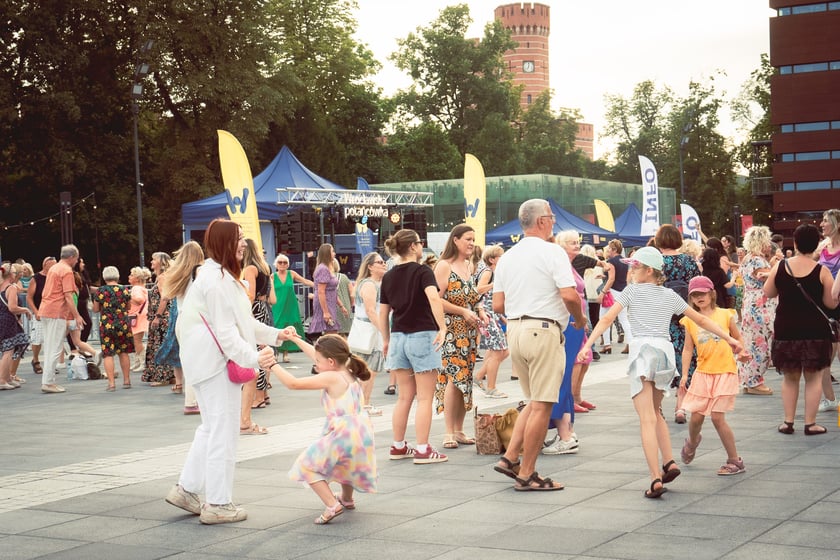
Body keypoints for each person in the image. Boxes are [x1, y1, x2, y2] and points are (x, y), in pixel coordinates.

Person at [578, 246, 743, 498]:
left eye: (635, 267)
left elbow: (606, 319)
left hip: (643, 352)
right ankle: (669, 461)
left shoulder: (631, 292)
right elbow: (702, 320)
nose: (630, 271)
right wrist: (730, 338)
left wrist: (588, 345)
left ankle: (655, 477)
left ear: (648, 271)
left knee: (646, 418)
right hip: (665, 354)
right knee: (655, 412)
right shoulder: (669, 295)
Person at [165, 219, 296, 524]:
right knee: (223, 434)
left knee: (212, 429)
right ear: (226, 242)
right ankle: (218, 504)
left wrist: (276, 335)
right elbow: (228, 333)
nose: (243, 243)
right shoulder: (219, 280)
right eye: (238, 238)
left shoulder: (215, 276)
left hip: (207, 364)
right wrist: (256, 357)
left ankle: (187, 489)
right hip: (215, 366)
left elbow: (242, 324)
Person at [492, 199, 585, 491]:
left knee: (533, 401)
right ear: (542, 221)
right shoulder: (552, 251)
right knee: (544, 404)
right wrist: (580, 320)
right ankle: (528, 472)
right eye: (552, 217)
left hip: (516, 329)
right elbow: (569, 296)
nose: (554, 222)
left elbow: (498, 304)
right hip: (542, 329)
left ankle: (510, 458)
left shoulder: (507, 256)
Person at [258, 334, 377, 525]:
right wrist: (296, 339)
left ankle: (332, 504)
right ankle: (346, 499)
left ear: (330, 361)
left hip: (342, 432)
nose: (315, 364)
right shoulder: (349, 369)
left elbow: (293, 384)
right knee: (347, 464)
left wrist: (272, 365)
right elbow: (319, 354)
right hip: (361, 430)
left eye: (318, 361)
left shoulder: (331, 377)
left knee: (307, 466)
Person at [379, 229, 448, 464]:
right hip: (422, 334)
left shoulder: (388, 276)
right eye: (420, 243)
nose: (422, 246)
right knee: (425, 398)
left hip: (398, 336)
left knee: (403, 397)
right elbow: (434, 298)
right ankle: (422, 449)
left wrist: (386, 339)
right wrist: (443, 327)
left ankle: (398, 446)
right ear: (412, 247)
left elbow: (383, 312)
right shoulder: (423, 271)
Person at [765, 223, 836, 435]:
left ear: (794, 243)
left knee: (790, 377)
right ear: (816, 246)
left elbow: (768, 292)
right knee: (813, 378)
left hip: (787, 329)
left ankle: (788, 422)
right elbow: (831, 303)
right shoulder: (822, 271)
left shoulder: (780, 267)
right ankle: (810, 423)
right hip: (815, 331)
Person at [679, 276, 749, 476]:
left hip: (725, 371)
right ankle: (692, 442)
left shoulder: (725, 315)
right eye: (694, 295)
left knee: (718, 417)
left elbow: (737, 337)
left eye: (702, 293)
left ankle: (735, 460)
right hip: (702, 373)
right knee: (696, 418)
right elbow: (687, 349)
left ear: (711, 293)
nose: (699, 297)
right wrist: (685, 374)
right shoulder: (690, 320)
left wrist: (742, 351)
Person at [433, 224, 487, 449]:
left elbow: (473, 296)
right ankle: (447, 432)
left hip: (469, 331)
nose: (471, 243)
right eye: (468, 239)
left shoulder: (469, 265)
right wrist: (463, 311)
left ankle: (459, 430)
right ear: (455, 240)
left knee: (465, 380)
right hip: (451, 329)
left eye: (473, 239)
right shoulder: (443, 266)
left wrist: (480, 310)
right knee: (453, 379)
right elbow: (435, 299)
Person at [656, 225, 701, 424]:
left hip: (661, 318)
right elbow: (695, 288)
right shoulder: (688, 261)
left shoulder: (655, 262)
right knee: (686, 360)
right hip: (684, 316)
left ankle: (656, 407)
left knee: (659, 362)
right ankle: (680, 407)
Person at [160, 242, 205, 412]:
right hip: (197, 321)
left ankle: (191, 400)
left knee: (188, 361)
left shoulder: (178, 275)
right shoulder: (199, 272)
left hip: (182, 319)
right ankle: (194, 401)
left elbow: (167, 295)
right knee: (201, 362)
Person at [737, 226, 779, 395]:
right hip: (760, 306)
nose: (769, 244)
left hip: (751, 304)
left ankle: (749, 380)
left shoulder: (748, 258)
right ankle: (755, 381)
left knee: (751, 342)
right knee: (761, 343)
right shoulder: (758, 261)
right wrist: (777, 265)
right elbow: (767, 276)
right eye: (767, 241)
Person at [39, 245, 85, 394]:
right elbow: (68, 296)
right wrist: (77, 315)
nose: (77, 261)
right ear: (71, 257)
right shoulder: (66, 271)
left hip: (46, 309)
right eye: (77, 258)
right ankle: (48, 382)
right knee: (55, 348)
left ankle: (48, 381)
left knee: (50, 347)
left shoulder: (54, 268)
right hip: (56, 312)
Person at [240, 239, 275, 424]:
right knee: (264, 350)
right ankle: (264, 393)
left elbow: (250, 294)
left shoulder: (249, 269)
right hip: (265, 308)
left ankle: (258, 397)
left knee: (256, 353)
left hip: (255, 310)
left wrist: (243, 310)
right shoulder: (265, 267)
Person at [351, 252, 387, 416]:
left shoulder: (373, 284)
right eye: (380, 262)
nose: (384, 264)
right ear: (370, 266)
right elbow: (371, 311)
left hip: (367, 332)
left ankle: (363, 403)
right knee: (369, 370)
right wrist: (385, 333)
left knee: (368, 370)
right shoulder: (369, 285)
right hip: (370, 333)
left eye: (384, 261)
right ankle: (364, 404)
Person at [473, 244, 510, 398]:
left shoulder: (494, 272)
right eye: (501, 256)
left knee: (503, 351)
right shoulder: (488, 272)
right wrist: (495, 284)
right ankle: (491, 387)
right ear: (492, 259)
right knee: (499, 351)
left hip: (492, 315)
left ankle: (479, 376)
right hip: (486, 315)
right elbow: (478, 290)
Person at [93, 266, 134, 391]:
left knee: (108, 354)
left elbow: (95, 309)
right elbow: (128, 307)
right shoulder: (125, 289)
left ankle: (111, 384)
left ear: (104, 277)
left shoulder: (100, 291)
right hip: (123, 323)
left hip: (106, 324)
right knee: (123, 352)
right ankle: (126, 381)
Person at [817, 209, 840, 410]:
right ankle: (830, 399)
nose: (822, 224)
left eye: (825, 221)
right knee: (824, 355)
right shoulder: (822, 248)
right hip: (825, 306)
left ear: (836, 224)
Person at [272, 254, 313, 363]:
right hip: (277, 305)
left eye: (285, 262)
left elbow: (304, 281)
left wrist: (318, 285)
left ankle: (285, 353)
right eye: (280, 262)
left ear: (288, 264)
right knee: (277, 326)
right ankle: (275, 352)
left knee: (289, 327)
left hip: (290, 305)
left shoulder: (292, 274)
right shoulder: (272, 276)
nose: (282, 264)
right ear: (276, 264)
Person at [143, 252, 175, 386]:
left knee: (159, 346)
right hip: (165, 316)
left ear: (161, 263)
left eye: (154, 260)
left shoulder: (162, 278)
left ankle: (161, 377)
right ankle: (169, 375)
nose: (151, 262)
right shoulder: (164, 277)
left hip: (161, 318)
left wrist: (157, 316)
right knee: (165, 345)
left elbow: (164, 297)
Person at [0, 262, 32, 390]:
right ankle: (2, 379)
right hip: (8, 319)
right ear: (10, 275)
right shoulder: (11, 288)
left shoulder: (2, 287)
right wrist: (25, 310)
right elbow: (12, 307)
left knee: (10, 347)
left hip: (3, 319)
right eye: (14, 272)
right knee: (8, 350)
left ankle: (7, 378)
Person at [26, 256, 55, 375]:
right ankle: (36, 359)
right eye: (52, 264)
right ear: (45, 265)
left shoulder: (55, 277)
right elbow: (29, 297)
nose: (54, 266)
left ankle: (49, 363)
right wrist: (35, 311)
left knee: (51, 339)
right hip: (39, 311)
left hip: (52, 312)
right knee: (37, 339)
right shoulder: (36, 278)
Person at [600, 239, 630, 354]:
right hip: (622, 291)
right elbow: (624, 278)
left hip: (611, 292)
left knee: (604, 318)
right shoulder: (624, 262)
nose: (608, 250)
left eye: (609, 248)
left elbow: (611, 278)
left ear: (614, 249)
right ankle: (631, 343)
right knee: (624, 319)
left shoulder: (610, 261)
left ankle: (607, 344)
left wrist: (602, 292)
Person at [127, 267, 150, 373]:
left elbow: (140, 299)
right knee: (137, 340)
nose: (129, 277)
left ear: (136, 278)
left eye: (131, 275)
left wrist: (127, 297)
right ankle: (138, 361)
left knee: (137, 340)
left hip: (137, 316)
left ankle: (142, 362)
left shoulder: (136, 288)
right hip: (141, 315)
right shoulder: (142, 288)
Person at [334, 259, 354, 336]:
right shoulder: (344, 277)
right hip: (345, 306)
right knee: (343, 333)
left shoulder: (326, 277)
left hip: (332, 307)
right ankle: (344, 347)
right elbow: (352, 293)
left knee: (332, 333)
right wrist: (351, 305)